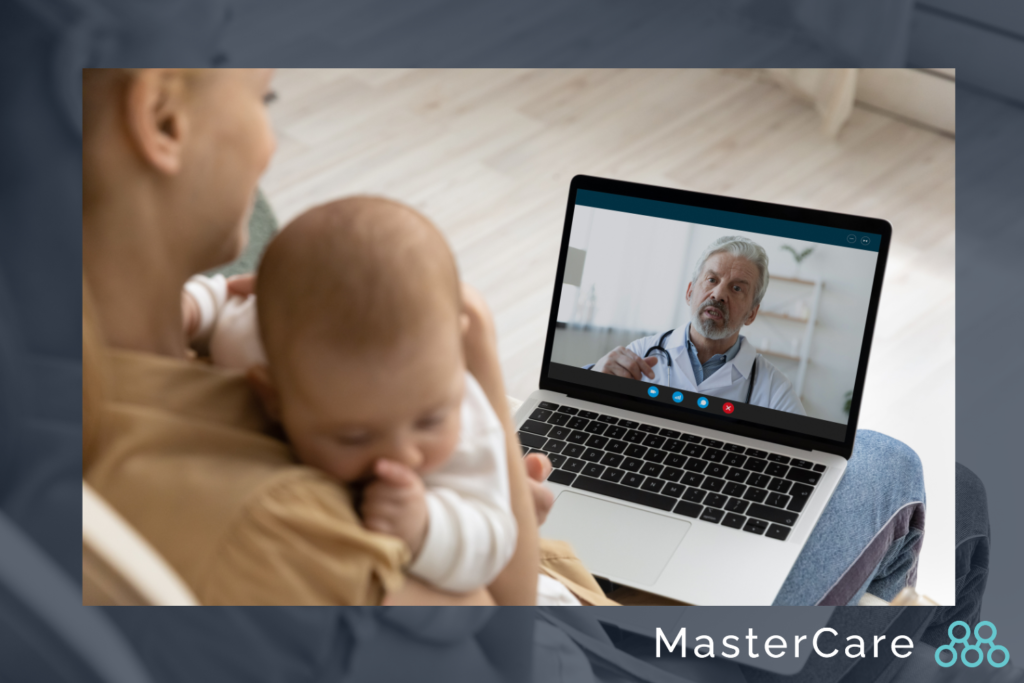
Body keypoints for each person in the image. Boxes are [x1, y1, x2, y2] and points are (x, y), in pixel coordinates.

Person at [182, 195, 566, 598]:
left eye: (430, 421)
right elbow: (230, 299)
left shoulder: (470, 430)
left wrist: (426, 527)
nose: (404, 456)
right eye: (355, 436)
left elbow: (494, 541)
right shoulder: (262, 345)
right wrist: (191, 309)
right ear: (272, 394)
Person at [591, 235, 806, 414]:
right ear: (689, 292)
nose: (719, 294)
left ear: (751, 314)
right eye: (712, 280)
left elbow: (804, 455)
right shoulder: (641, 353)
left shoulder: (775, 390)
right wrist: (592, 378)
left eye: (737, 289)